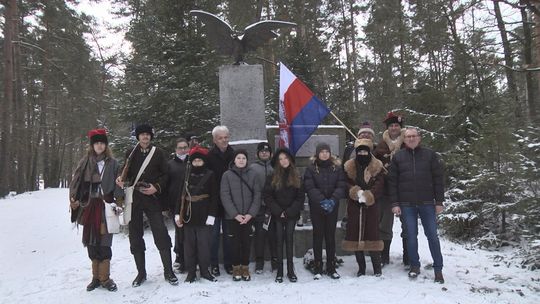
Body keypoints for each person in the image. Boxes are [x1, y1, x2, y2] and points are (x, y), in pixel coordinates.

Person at [115, 124, 178, 287]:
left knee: (161, 233)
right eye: (142, 134)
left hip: (152, 198)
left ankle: (168, 271)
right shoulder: (131, 152)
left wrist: (155, 187)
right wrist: (120, 178)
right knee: (135, 236)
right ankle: (141, 273)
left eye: (147, 135)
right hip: (134, 198)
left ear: (151, 136)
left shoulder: (158, 153)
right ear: (138, 137)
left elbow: (165, 174)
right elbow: (125, 171)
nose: (145, 137)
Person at [388, 127, 445, 284]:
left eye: (414, 136)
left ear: (419, 138)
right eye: (408, 137)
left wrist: (439, 201)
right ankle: (414, 265)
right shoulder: (398, 157)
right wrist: (395, 203)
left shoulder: (430, 155)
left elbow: (438, 179)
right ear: (404, 140)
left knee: (432, 235)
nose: (411, 138)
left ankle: (438, 269)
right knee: (411, 236)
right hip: (407, 204)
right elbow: (392, 182)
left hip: (427, 202)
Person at [69, 129, 122, 292]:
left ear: (105, 145)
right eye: (96, 143)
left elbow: (119, 183)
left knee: (105, 243)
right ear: (92, 145)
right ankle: (95, 278)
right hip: (89, 207)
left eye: (102, 143)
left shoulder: (113, 163)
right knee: (92, 242)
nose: (99, 145)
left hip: (107, 206)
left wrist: (119, 202)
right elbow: (76, 183)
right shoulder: (85, 162)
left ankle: (105, 278)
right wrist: (74, 199)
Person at [175, 146, 218, 283]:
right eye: (195, 160)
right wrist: (177, 213)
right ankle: (191, 272)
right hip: (188, 214)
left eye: (200, 160)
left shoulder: (210, 175)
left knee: (204, 244)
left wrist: (212, 215)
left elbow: (214, 197)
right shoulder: (186, 175)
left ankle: (205, 270)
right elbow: (180, 195)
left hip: (204, 213)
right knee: (189, 246)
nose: (197, 162)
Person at [303, 143, 347, 280]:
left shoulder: (337, 168)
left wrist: (332, 200)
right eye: (321, 151)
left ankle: (331, 267)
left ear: (330, 153)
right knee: (318, 236)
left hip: (332, 207)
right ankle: (317, 267)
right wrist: (322, 201)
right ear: (317, 154)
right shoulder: (311, 169)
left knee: (330, 237)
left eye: (326, 151)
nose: (324, 154)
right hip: (317, 207)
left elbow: (341, 185)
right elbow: (310, 187)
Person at [342, 139, 385, 276]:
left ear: (369, 152)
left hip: (371, 206)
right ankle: (361, 268)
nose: (362, 154)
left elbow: (380, 183)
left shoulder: (377, 166)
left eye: (365, 151)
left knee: (372, 236)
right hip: (354, 206)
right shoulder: (349, 167)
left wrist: (369, 195)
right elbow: (346, 182)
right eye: (359, 151)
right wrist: (356, 192)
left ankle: (377, 268)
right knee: (356, 237)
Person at [263, 148, 305, 283]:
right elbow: (268, 196)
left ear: (290, 160)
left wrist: (290, 211)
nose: (283, 161)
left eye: (285, 158)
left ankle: (290, 270)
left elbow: (300, 197)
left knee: (289, 239)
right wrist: (278, 211)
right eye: (280, 159)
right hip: (277, 214)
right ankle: (280, 271)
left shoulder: (297, 176)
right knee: (279, 240)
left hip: (291, 214)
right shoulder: (272, 176)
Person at [220, 150, 261, 281]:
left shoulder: (253, 174)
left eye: (244, 158)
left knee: (246, 243)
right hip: (232, 218)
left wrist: (250, 214)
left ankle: (245, 267)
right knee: (234, 243)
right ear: (234, 160)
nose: (241, 160)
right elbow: (225, 196)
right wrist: (235, 214)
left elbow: (257, 195)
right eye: (239, 158)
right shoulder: (227, 175)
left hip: (248, 217)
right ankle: (236, 267)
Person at [373, 111, 407, 266]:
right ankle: (384, 255)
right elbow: (374, 167)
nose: (394, 128)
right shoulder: (380, 146)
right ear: (387, 128)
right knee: (385, 224)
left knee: (408, 225)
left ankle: (409, 256)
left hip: (405, 190)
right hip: (386, 191)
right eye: (391, 125)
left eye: (396, 125)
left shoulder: (408, 143)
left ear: (400, 127)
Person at [206, 126, 235, 276]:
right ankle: (214, 263)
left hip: (231, 202)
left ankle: (229, 263)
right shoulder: (209, 156)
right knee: (213, 235)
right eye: (220, 138)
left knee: (229, 235)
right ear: (214, 140)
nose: (224, 140)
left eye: (226, 137)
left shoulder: (235, 154)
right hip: (214, 203)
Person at [249, 142, 278, 273]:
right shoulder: (252, 168)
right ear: (257, 154)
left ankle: (275, 260)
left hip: (274, 206)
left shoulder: (276, 167)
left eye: (267, 151)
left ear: (271, 154)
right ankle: (259, 261)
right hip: (259, 206)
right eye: (262, 151)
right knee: (259, 235)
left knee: (273, 234)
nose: (264, 153)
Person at [165, 138, 189, 273]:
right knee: (179, 233)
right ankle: (180, 258)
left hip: (192, 205)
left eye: (185, 147)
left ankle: (192, 258)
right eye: (180, 148)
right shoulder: (170, 165)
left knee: (190, 233)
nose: (183, 150)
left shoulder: (193, 163)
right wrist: (166, 206)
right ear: (176, 150)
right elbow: (166, 185)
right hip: (175, 204)